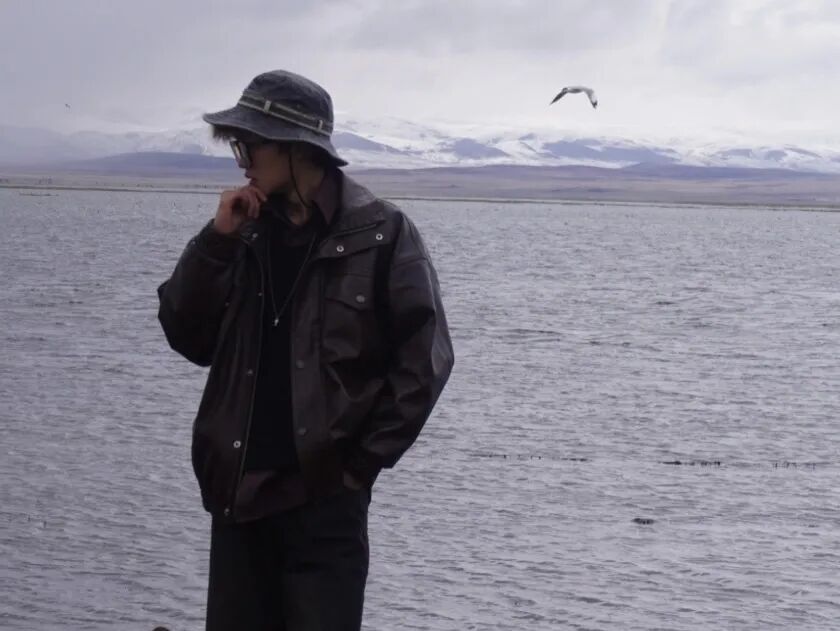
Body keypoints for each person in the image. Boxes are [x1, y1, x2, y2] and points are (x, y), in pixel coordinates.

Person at [157, 69, 454, 630]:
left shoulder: (382, 234)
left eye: (250, 146)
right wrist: (214, 244)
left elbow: (426, 361)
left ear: (295, 147)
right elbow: (187, 336)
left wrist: (358, 467)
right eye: (237, 147)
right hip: (238, 501)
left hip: (326, 508)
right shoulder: (240, 232)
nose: (242, 162)